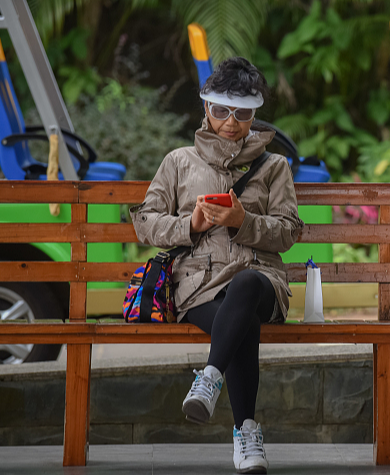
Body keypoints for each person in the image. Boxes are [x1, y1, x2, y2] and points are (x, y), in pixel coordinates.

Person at [131, 57, 303, 474]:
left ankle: (209, 377)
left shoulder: (274, 166)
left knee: (245, 287)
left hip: (260, 281)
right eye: (221, 110)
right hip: (200, 286)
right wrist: (189, 224)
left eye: (242, 113)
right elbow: (144, 222)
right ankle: (247, 434)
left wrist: (243, 222)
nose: (231, 122)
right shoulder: (179, 161)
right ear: (206, 109)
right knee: (240, 325)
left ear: (254, 114)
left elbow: (289, 230)